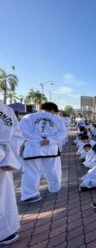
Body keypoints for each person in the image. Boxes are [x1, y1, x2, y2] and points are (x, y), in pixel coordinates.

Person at [20, 102, 67, 203]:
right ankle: (54, 188)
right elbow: (63, 133)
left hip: (32, 149)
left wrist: (37, 141)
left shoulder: (28, 117)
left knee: (31, 172)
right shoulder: (58, 119)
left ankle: (30, 195)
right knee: (53, 170)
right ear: (53, 110)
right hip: (50, 149)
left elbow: (21, 131)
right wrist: (49, 140)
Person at [0, 101, 25, 245]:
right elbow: (16, 136)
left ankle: (4, 231)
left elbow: (16, 135)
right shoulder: (6, 110)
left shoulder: (6, 110)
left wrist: (8, 159)